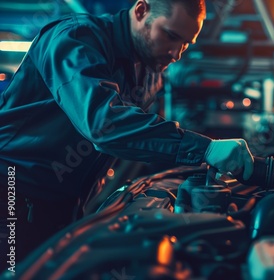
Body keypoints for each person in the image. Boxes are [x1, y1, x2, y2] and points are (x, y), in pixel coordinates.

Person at [0, 0, 254, 269]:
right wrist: (205, 149)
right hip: (14, 190)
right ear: (141, 10)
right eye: (170, 35)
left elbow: (136, 139)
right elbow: (103, 123)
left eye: (186, 44)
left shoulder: (150, 73)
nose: (177, 53)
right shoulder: (75, 39)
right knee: (15, 272)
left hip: (65, 202)